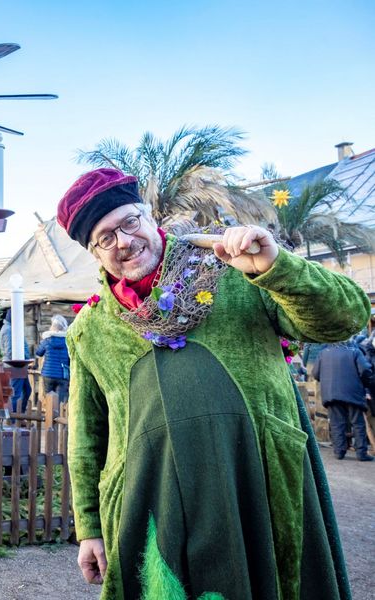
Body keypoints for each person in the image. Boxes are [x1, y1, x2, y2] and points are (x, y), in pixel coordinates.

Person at [57, 167, 365, 598]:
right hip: (152, 501)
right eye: (105, 238)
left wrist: (274, 268)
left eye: (129, 222)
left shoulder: (233, 268)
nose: (124, 242)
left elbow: (345, 317)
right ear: (94, 252)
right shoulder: (90, 329)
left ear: (148, 215)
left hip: (257, 484)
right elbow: (87, 438)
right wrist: (89, 526)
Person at [311, 342, 374, 461]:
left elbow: (315, 373)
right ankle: (361, 453)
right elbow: (365, 369)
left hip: (331, 392)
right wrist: (366, 384)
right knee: (357, 423)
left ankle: (339, 452)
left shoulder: (323, 353)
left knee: (336, 423)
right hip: (353, 391)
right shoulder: (355, 351)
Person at [0, 308, 32, 413]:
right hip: (15, 365)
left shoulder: (11, 328)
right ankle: (13, 419)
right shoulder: (8, 330)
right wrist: (22, 359)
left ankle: (20, 415)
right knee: (15, 393)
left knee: (27, 390)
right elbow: (10, 351)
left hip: (20, 365)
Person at [34, 314, 70, 402]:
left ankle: (50, 414)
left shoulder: (47, 340)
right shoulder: (68, 341)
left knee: (49, 397)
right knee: (61, 399)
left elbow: (38, 353)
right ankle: (59, 414)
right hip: (62, 374)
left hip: (48, 374)